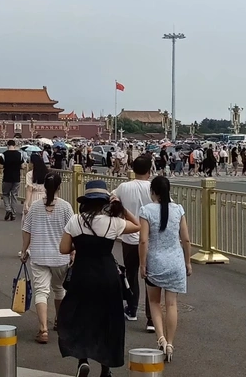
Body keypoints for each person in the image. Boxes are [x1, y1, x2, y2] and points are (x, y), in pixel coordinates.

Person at [57, 180, 141, 377]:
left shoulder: (76, 221)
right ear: (105, 201)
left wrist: (80, 244)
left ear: (85, 201)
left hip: (82, 274)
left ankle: (82, 360)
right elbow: (137, 226)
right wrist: (121, 207)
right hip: (107, 276)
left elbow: (63, 248)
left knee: (81, 317)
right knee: (107, 319)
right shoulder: (113, 222)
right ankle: (105, 367)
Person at [139, 176, 192, 363]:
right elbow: (186, 239)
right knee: (171, 304)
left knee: (154, 302)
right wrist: (188, 262)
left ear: (152, 192)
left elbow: (143, 240)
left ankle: (160, 338)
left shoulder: (146, 210)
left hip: (155, 262)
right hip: (175, 262)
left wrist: (142, 264)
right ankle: (170, 343)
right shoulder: (178, 209)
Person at [20, 173, 73, 344]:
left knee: (41, 292)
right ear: (59, 187)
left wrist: (24, 251)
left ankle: (43, 329)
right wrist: (73, 252)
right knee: (59, 290)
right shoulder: (66, 207)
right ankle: (59, 321)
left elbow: (26, 230)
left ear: (44, 187)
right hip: (60, 256)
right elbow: (72, 232)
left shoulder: (35, 207)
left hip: (39, 255)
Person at [113, 156, 155, 332]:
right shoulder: (153, 187)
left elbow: (111, 198)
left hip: (130, 236)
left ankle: (132, 309)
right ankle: (151, 318)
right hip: (151, 238)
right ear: (149, 171)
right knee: (151, 278)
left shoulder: (124, 187)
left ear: (133, 169)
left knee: (131, 274)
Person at [0, 140, 23, 221]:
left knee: (5, 194)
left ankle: (8, 209)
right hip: (16, 178)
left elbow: (1, 166)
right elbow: (22, 165)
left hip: (7, 177)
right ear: (14, 145)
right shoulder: (19, 154)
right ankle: (13, 213)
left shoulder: (4, 155)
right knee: (14, 195)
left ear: (7, 145)